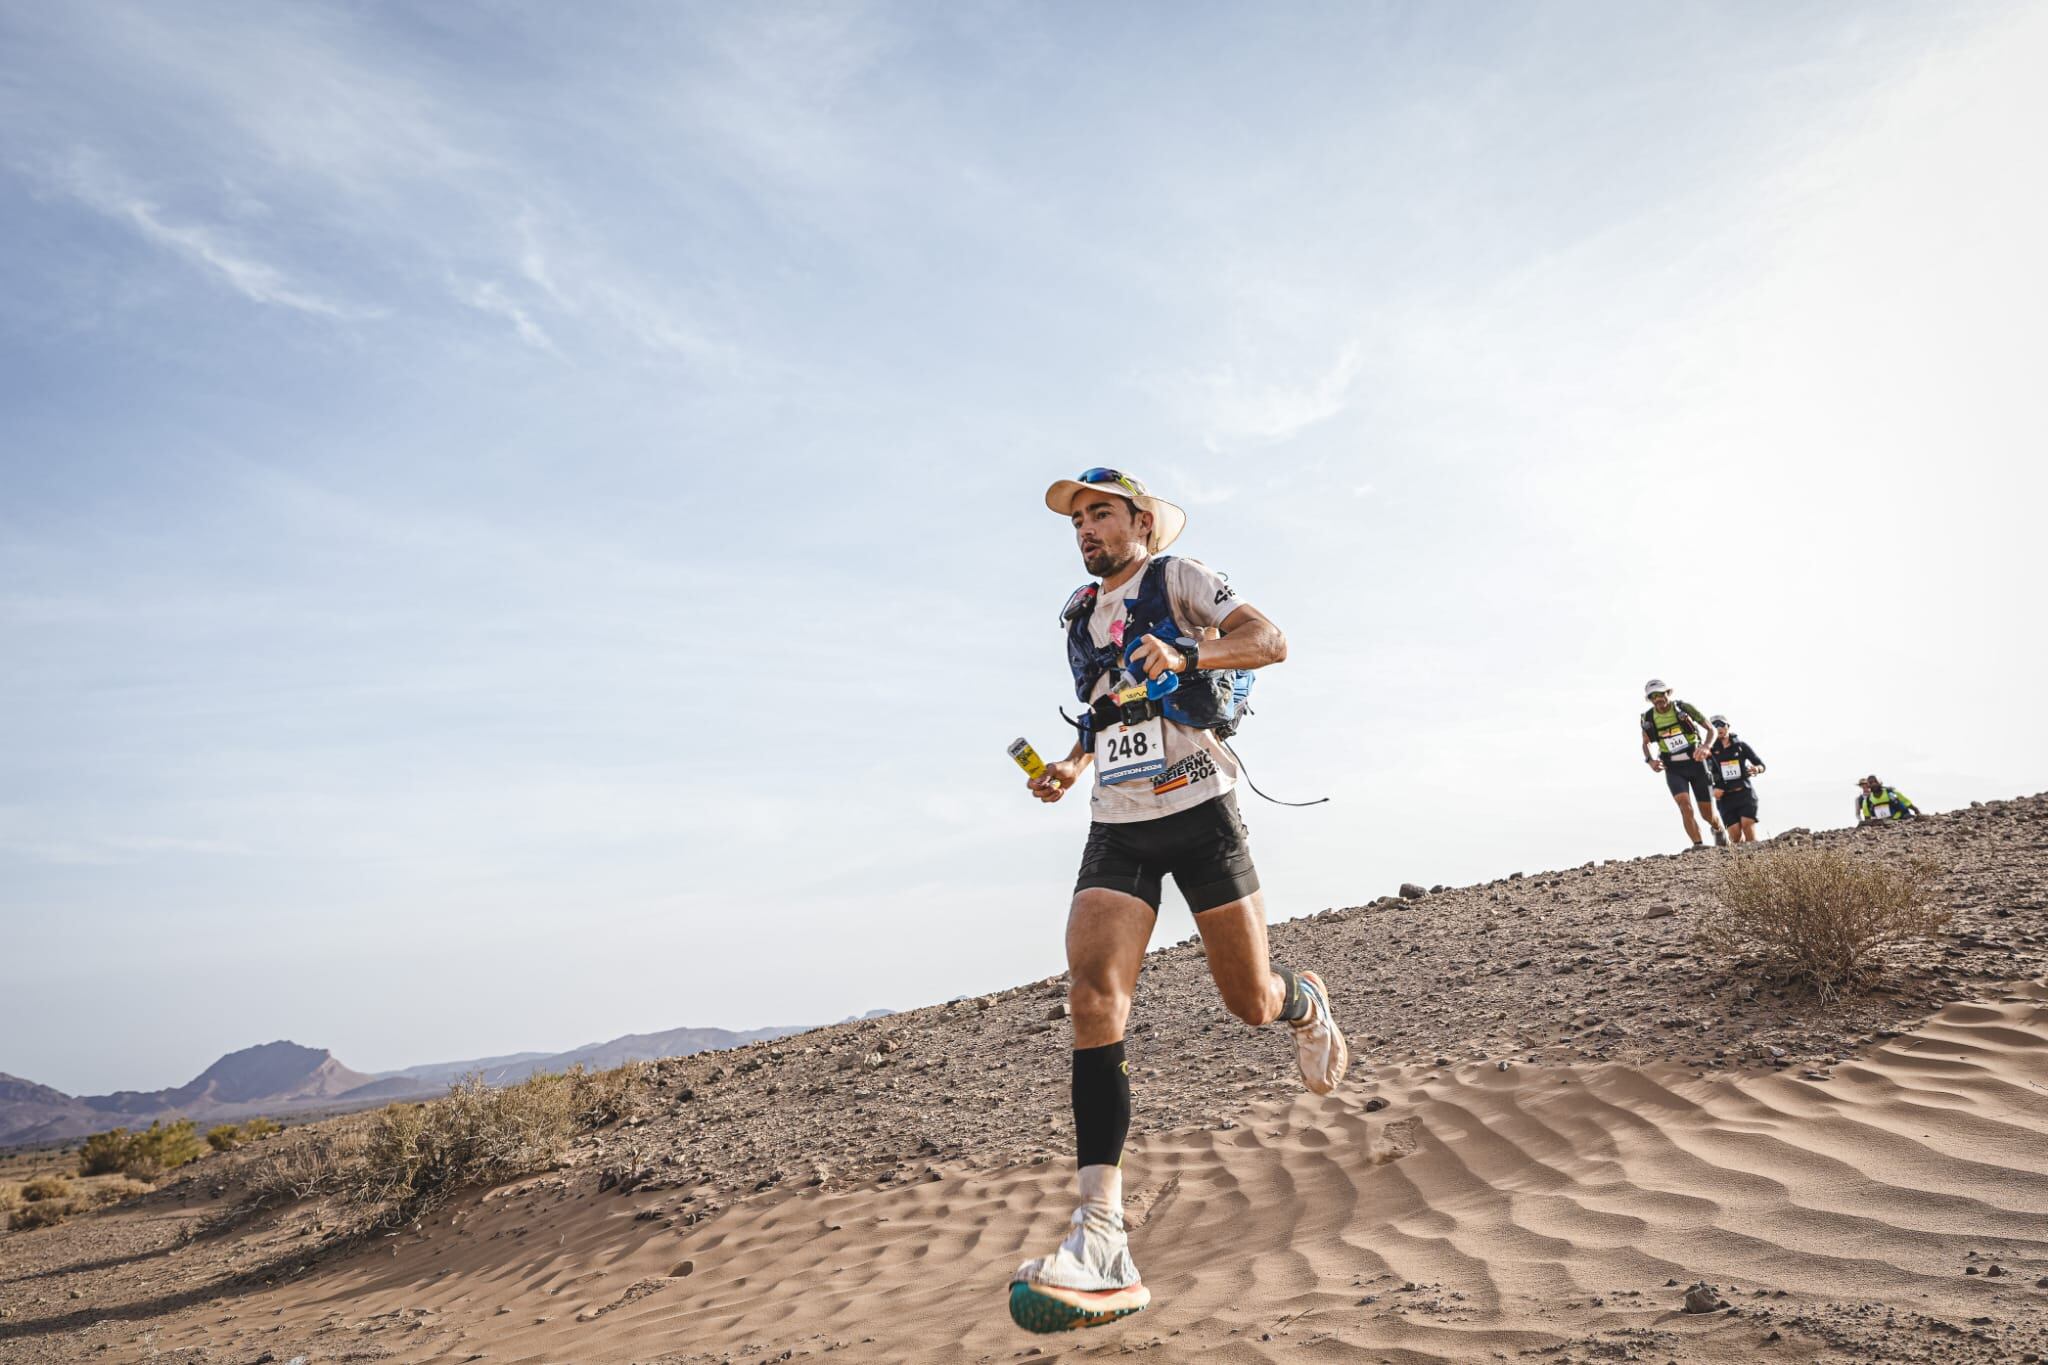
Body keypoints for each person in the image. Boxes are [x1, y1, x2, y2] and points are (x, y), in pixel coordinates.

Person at [1009, 467, 1350, 1334]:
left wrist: (1190, 650)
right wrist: (1069, 766)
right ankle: (1101, 1236)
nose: (1085, 528)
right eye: (1076, 519)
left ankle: (1302, 1001)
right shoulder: (1079, 617)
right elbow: (1101, 709)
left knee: (1249, 1001)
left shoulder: (1180, 577)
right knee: (1090, 993)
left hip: (1200, 810)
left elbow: (1270, 640)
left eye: (1100, 513)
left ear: (1142, 521)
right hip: (1118, 822)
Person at [1639, 679, 1728, 849]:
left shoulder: (1683, 708)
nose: (1658, 698)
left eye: (1661, 694)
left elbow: (1711, 729)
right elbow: (1646, 742)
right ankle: (1698, 845)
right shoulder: (1648, 718)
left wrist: (1706, 747)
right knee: (1684, 805)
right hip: (1672, 767)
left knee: (1707, 814)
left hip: (1695, 762)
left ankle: (1717, 829)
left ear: (1668, 693)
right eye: (1653, 696)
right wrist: (1650, 761)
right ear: (1650, 699)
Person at [1705, 715, 1766, 843]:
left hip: (1744, 793)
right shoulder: (1708, 751)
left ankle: (1757, 859)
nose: (1719, 728)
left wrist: (1756, 769)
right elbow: (1702, 775)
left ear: (1728, 726)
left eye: (1722, 724)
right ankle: (1742, 860)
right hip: (1725, 798)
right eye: (1714, 726)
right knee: (1736, 837)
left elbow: (1760, 764)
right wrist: (1713, 789)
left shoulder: (1740, 746)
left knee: (1747, 826)